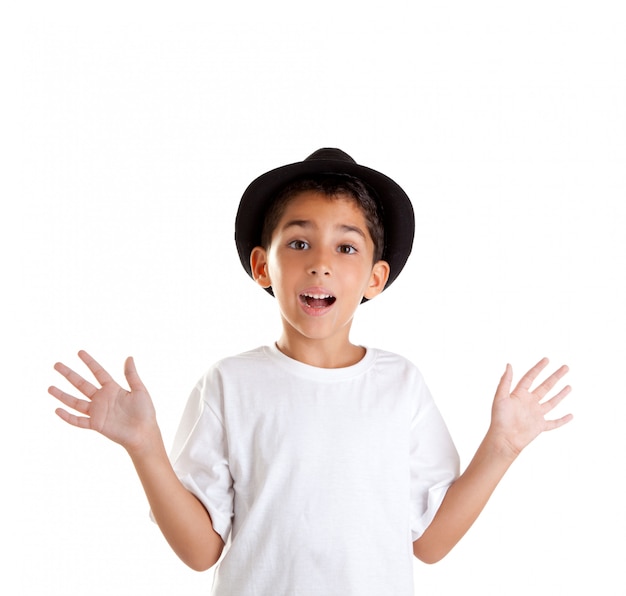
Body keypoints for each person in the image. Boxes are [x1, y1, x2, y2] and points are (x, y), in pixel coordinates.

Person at [49, 148, 573, 595]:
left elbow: (430, 544)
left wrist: (501, 446)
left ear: (374, 277)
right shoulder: (229, 384)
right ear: (262, 266)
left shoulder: (401, 384)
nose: (321, 262)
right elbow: (200, 551)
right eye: (299, 243)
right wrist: (145, 446)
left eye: (346, 247)